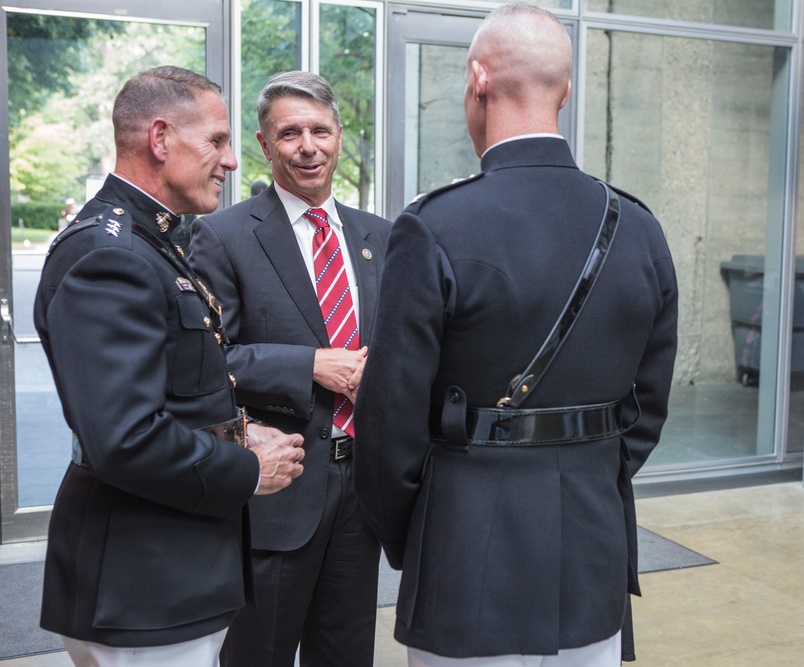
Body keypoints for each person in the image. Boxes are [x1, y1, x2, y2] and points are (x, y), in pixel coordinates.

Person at [353, 4, 679, 666]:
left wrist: (418, 528)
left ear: (478, 79)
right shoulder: (639, 227)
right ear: (564, 90)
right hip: (594, 546)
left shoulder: (434, 225)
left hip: (467, 550)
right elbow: (646, 406)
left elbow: (389, 421)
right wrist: (587, 467)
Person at [33, 65, 306, 667]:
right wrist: (246, 466)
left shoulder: (151, 241)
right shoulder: (111, 255)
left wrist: (235, 430)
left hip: (168, 569)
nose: (231, 160)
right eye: (216, 140)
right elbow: (124, 438)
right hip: (142, 580)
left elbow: (170, 395)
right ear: (160, 139)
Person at [189, 70, 391, 667]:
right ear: (264, 143)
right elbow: (208, 360)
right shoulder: (221, 237)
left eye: (320, 131)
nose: (309, 146)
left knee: (347, 654)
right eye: (291, 133)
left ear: (340, 135)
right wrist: (309, 365)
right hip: (277, 495)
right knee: (259, 654)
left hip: (361, 493)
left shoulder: (379, 236)